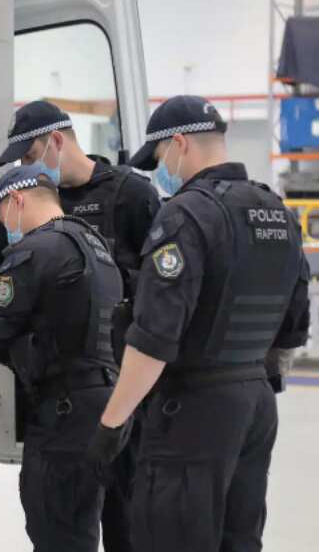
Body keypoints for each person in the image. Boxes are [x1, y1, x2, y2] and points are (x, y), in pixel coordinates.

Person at [86, 95, 311, 552]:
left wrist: (112, 424)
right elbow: (293, 327)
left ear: (180, 144)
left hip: (192, 411)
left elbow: (154, 337)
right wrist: (249, 383)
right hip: (256, 405)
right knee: (239, 540)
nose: (159, 171)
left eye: (159, 157)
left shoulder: (186, 215)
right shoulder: (277, 211)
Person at [0, 100, 160, 552]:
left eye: (30, 155)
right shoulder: (26, 196)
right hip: (56, 392)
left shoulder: (131, 195)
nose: (27, 167)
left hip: (127, 391)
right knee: (64, 523)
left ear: (56, 141)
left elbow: (162, 293)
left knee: (127, 523)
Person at [0, 163, 125, 552]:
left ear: (16, 200)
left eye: (2, 216)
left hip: (64, 416)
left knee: (57, 531)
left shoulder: (34, 252)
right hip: (108, 406)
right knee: (91, 529)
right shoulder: (95, 246)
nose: (5, 227)